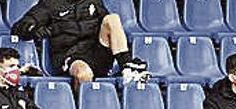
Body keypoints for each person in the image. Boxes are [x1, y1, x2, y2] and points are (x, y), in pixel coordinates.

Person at [10, 0, 149, 85]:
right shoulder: (49, 4)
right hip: (69, 55)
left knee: (112, 19)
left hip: (95, 52)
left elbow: (107, 27)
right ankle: (81, 105)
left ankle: (127, 67)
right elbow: (19, 28)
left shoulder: (93, 1)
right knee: (83, 73)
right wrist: (35, 31)